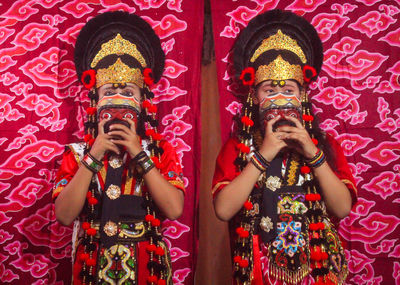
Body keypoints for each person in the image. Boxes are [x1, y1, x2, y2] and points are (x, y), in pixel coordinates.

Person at [212, 10, 357, 285]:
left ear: (302, 97)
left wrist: (312, 153)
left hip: (319, 269)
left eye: (289, 90)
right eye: (269, 90)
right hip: (262, 273)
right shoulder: (238, 147)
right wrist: (263, 154)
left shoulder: (326, 147)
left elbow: (342, 209)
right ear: (254, 98)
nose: (280, 99)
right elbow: (223, 210)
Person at [52, 11, 185, 285]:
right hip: (91, 267)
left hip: (147, 268)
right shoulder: (76, 154)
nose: (118, 101)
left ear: (142, 102)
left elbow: (173, 210)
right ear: (95, 102)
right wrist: (94, 155)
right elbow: (64, 216)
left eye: (128, 94)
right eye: (109, 92)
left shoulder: (160, 151)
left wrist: (139, 154)